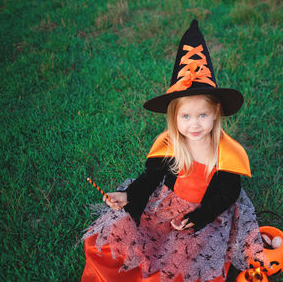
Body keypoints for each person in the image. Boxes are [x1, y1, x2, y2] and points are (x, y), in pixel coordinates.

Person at [81, 20, 268, 282]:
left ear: (215, 113)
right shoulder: (170, 145)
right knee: (125, 241)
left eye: (202, 115)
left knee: (186, 259)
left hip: (203, 212)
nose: (194, 124)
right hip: (166, 206)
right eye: (186, 116)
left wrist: (199, 217)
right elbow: (150, 179)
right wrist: (128, 196)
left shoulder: (226, 153)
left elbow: (228, 193)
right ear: (174, 118)